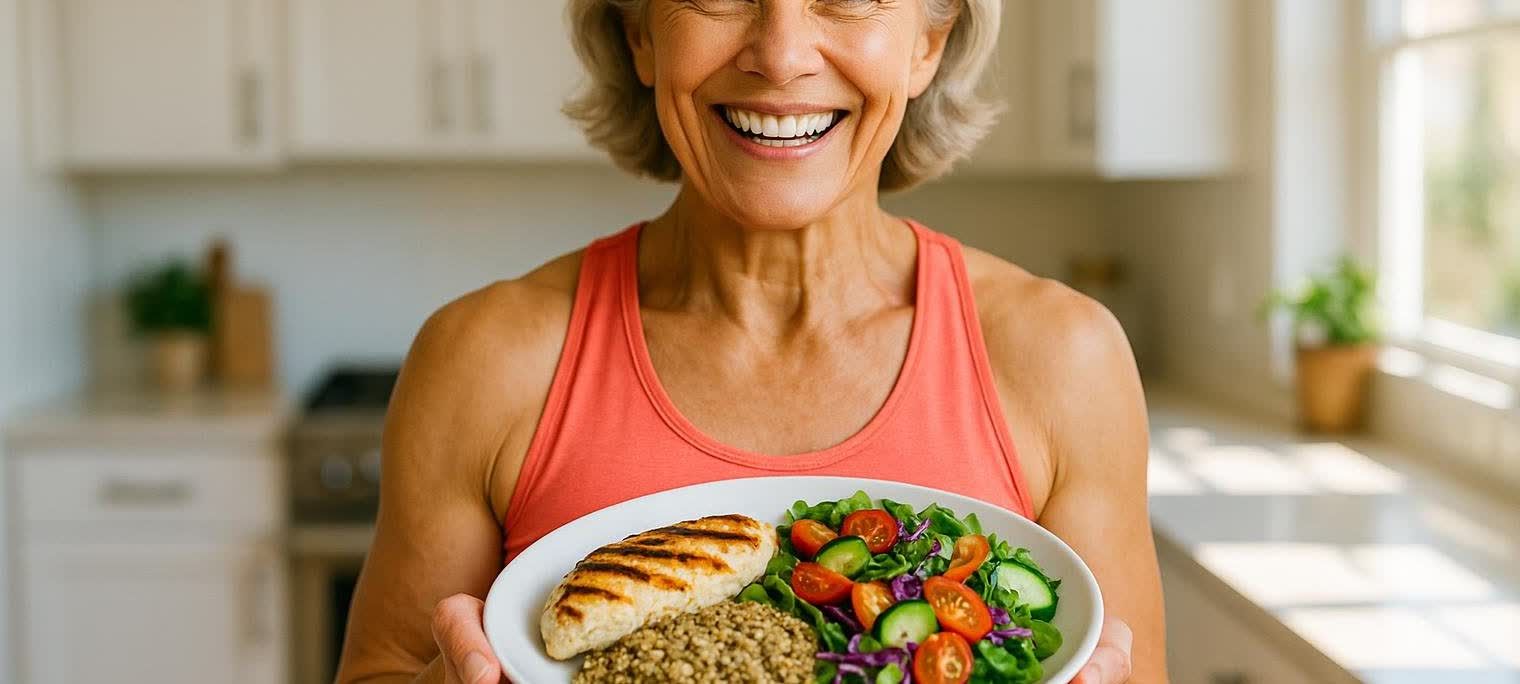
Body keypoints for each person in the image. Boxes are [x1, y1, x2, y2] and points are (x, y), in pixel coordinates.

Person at [336, 1, 1164, 682]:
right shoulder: (483, 358)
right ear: (640, 36)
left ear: (928, 44)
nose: (781, 52)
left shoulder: (1064, 359)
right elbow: (388, 668)